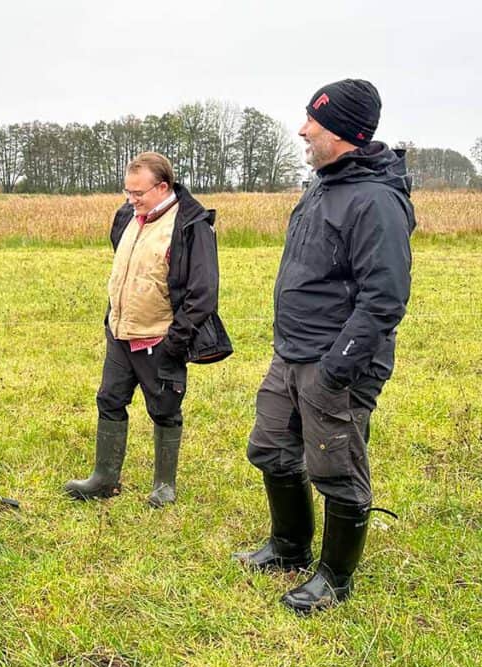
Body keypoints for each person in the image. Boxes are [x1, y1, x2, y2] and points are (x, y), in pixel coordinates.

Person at [236, 79, 415, 614]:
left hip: (334, 363)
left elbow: (385, 298)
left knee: (335, 468)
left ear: (340, 130)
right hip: (291, 353)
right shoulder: (322, 186)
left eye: (311, 121)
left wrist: (337, 369)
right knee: (269, 447)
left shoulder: (376, 200)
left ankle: (335, 579)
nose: (302, 129)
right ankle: (289, 548)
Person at [64, 152, 230, 507]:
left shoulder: (192, 225)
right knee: (109, 400)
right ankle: (104, 478)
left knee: (165, 409)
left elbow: (203, 294)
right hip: (120, 334)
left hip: (161, 339)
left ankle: (163, 486)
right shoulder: (127, 216)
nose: (131, 200)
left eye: (138, 193)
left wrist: (175, 341)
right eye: (127, 192)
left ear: (163, 187)